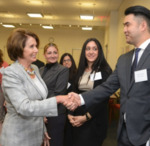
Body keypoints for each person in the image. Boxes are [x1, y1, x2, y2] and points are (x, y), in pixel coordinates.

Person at [68, 5, 150, 146]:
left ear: (142, 25)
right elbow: (107, 87)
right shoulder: (123, 60)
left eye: (127, 25)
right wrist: (80, 98)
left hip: (146, 135)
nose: (124, 30)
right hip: (124, 134)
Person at [0, 28, 70, 146]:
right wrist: (58, 99)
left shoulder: (35, 69)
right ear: (19, 48)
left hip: (35, 134)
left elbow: (39, 101)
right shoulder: (10, 73)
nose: (36, 50)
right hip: (17, 137)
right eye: (32, 46)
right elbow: (24, 107)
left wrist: (42, 129)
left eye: (36, 46)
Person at [66, 38, 112, 146]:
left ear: (99, 51)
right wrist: (70, 114)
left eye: (94, 49)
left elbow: (103, 99)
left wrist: (86, 117)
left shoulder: (105, 71)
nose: (91, 52)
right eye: (88, 49)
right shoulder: (80, 70)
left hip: (94, 118)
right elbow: (74, 91)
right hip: (77, 116)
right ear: (84, 51)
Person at [40, 43, 69, 146]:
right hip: (40, 113)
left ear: (58, 54)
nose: (52, 55)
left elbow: (58, 93)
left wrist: (41, 109)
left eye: (55, 52)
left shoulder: (63, 70)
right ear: (44, 55)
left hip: (55, 114)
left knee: (54, 142)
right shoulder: (40, 70)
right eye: (49, 53)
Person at [0, 49, 9, 138]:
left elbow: (6, 82)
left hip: (1, 91)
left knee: (0, 115)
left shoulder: (4, 65)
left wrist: (6, 97)